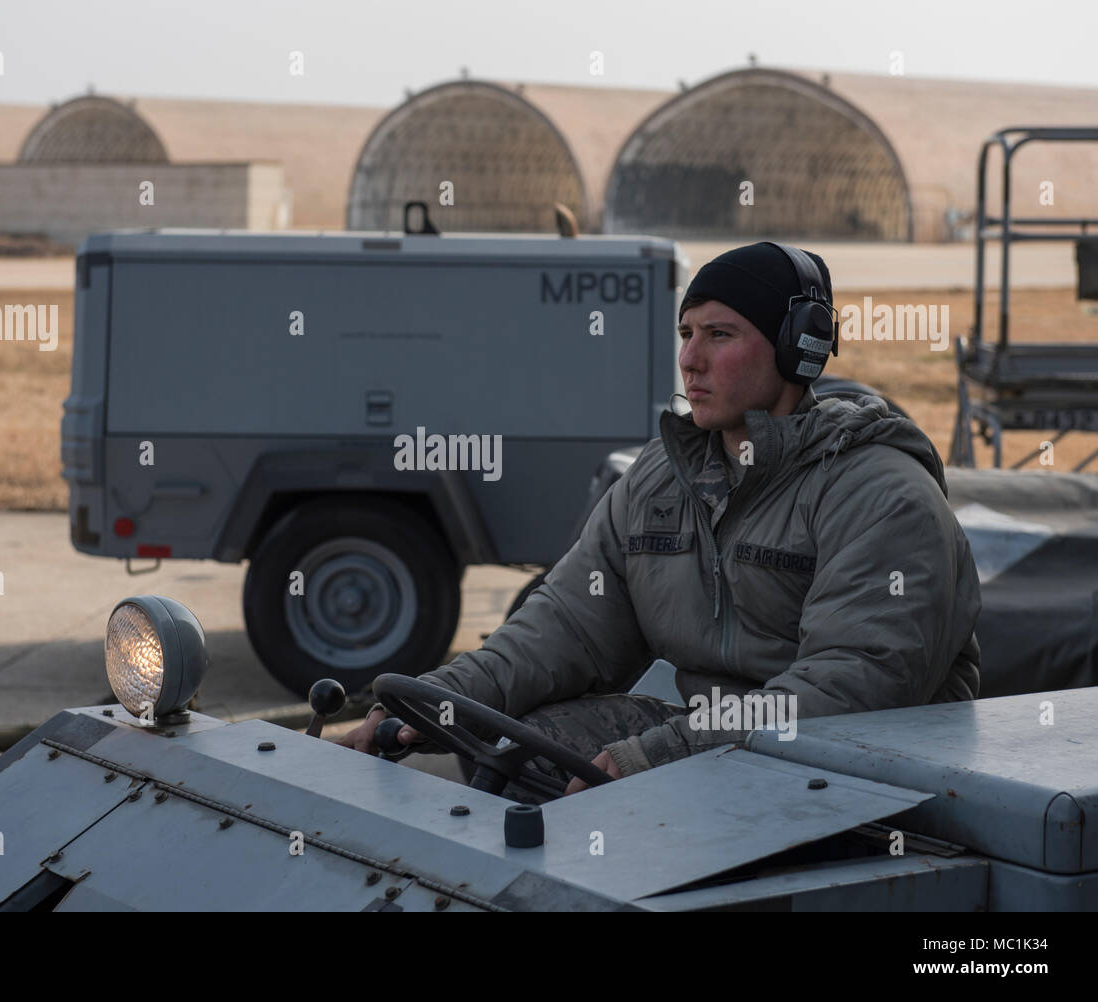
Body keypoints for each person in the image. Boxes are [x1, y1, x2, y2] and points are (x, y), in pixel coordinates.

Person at [338, 241, 981, 797]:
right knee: (510, 749)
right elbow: (565, 624)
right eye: (686, 334)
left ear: (796, 350)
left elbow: (854, 688)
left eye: (719, 335)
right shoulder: (659, 478)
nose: (689, 360)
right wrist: (438, 699)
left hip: (869, 778)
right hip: (716, 741)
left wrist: (664, 755)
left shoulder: (882, 495)